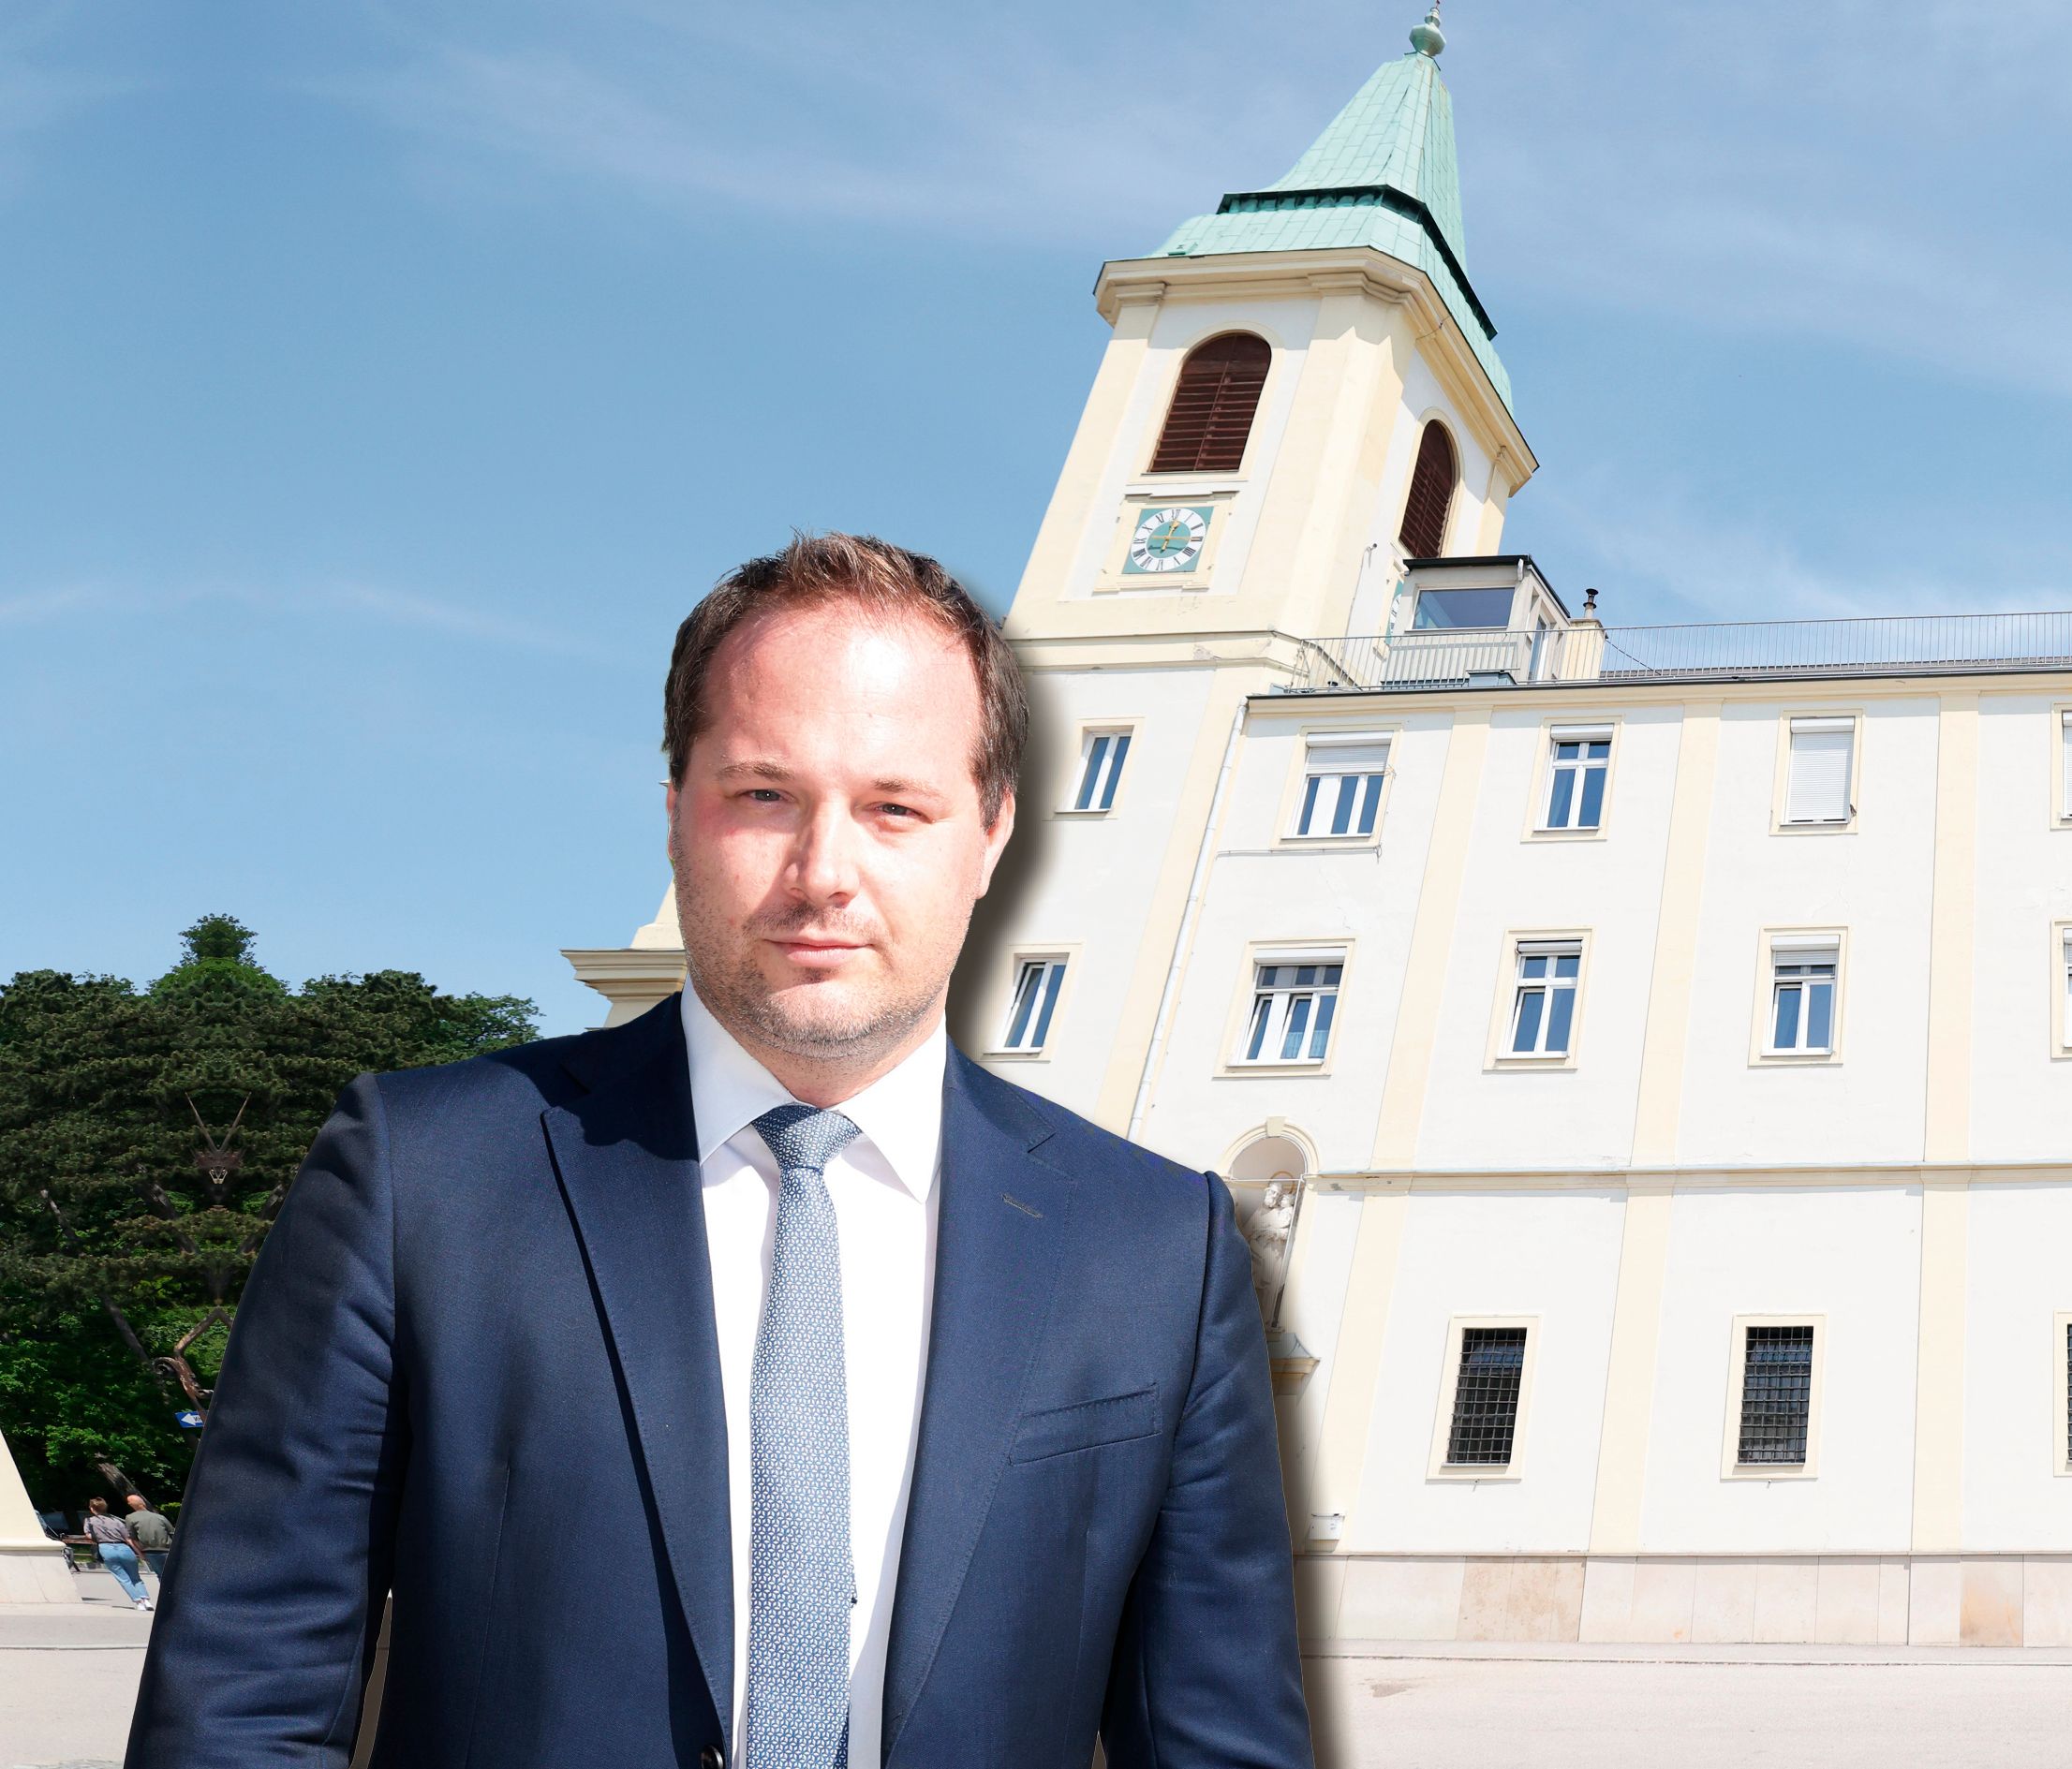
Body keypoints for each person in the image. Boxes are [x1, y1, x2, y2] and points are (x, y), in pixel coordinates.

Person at [130, 536, 1310, 1767]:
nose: (824, 875)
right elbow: (242, 1700)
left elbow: (1221, 1739)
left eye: (895, 807)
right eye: (763, 796)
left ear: (992, 832)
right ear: (677, 812)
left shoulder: (1156, 1252)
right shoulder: (417, 1178)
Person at [84, 1498, 150, 1611]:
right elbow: (128, 1538)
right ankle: (146, 1600)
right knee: (135, 1577)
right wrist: (140, 1553)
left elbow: (88, 1535)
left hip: (106, 1548)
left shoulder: (89, 1521)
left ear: (91, 1509)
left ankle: (138, 1602)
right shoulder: (115, 1520)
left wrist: (98, 1537)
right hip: (124, 1548)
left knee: (123, 1578)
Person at [124, 1494, 175, 1586]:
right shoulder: (160, 1517)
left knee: (162, 1576)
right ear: (144, 1504)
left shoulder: (130, 1518)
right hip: (168, 1549)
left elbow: (133, 1538)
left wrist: (140, 1553)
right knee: (175, 1575)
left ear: (130, 1505)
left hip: (151, 1552)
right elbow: (172, 1533)